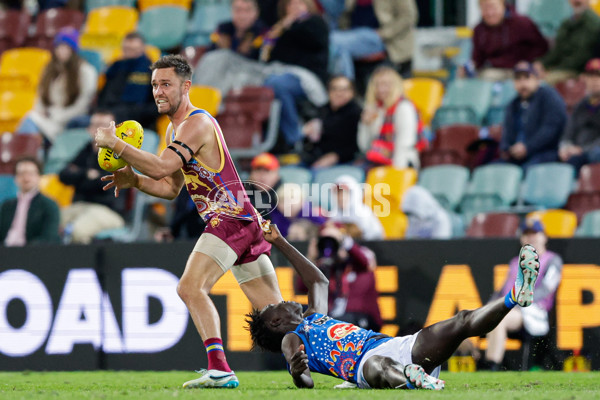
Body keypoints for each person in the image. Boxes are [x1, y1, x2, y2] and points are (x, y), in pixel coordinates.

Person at [94, 55, 283, 389]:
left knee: (189, 287)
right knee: (277, 317)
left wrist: (117, 145)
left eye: (165, 84)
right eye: (154, 84)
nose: (158, 91)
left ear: (186, 87)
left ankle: (220, 369)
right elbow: (169, 188)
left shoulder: (197, 124)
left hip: (229, 218)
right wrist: (134, 181)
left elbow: (160, 168)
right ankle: (349, 362)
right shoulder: (174, 130)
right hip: (243, 221)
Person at [247, 224, 541, 389]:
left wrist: (281, 241)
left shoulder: (313, 316)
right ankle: (415, 382)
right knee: (378, 366)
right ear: (275, 323)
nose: (282, 299)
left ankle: (513, 296)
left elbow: (319, 282)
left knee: (461, 321)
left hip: (400, 346)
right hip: (363, 366)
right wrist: (298, 372)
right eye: (275, 306)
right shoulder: (292, 337)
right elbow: (305, 378)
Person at [485, 219, 563, 371]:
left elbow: (547, 288)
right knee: (476, 318)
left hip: (535, 311)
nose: (530, 237)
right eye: (526, 234)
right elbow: (503, 290)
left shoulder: (552, 260)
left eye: (535, 233)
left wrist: (519, 303)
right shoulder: (515, 262)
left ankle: (491, 366)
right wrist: (489, 305)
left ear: (544, 237)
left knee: (498, 318)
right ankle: (479, 359)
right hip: (512, 308)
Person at [260, 0, 329, 152]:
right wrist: (282, 28)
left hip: (308, 76)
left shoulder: (315, 22)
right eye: (291, 4)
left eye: (300, 3)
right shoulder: (279, 29)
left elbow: (314, 41)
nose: (296, 7)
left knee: (277, 84)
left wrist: (292, 25)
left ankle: (294, 136)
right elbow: (267, 55)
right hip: (280, 72)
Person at [18, 27, 97, 145]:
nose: (62, 50)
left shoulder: (86, 71)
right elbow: (40, 97)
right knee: (30, 122)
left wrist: (56, 116)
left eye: (66, 47)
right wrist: (41, 111)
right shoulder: (49, 70)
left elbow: (82, 105)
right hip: (46, 119)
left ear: (73, 50)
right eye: (59, 46)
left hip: (68, 121)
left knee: (30, 126)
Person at [58, 110, 125, 244]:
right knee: (49, 223)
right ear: (89, 129)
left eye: (104, 125)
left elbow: (105, 184)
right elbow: (63, 175)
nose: (99, 130)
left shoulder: (120, 153)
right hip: (79, 206)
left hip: (107, 210)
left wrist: (79, 177)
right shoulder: (87, 150)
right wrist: (86, 175)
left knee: (78, 231)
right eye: (95, 125)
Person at [300, 221, 382, 331]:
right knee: (301, 312)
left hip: (362, 317)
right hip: (335, 319)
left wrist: (344, 242)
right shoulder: (327, 265)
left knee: (339, 321)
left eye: (333, 241)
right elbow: (301, 287)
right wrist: (311, 259)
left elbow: (366, 261)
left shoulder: (360, 260)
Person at [500, 61, 567, 169]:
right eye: (518, 79)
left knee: (530, 170)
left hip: (546, 152)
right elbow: (507, 133)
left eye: (527, 77)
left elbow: (551, 129)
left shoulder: (549, 96)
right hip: (518, 156)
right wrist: (507, 149)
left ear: (537, 79)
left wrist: (528, 147)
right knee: (497, 168)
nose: (522, 83)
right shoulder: (513, 104)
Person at [330, 0, 418, 79]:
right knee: (339, 47)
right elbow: (344, 17)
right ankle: (346, 84)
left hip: (381, 38)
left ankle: (346, 84)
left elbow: (409, 16)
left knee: (334, 41)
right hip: (354, 35)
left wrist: (383, 33)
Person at [467, 0, 547, 81]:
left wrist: (529, 62)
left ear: (503, 6)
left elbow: (541, 46)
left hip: (522, 69)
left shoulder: (522, 23)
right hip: (493, 71)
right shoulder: (479, 30)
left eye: (493, 8)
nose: (490, 13)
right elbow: (477, 59)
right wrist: (468, 68)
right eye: (485, 9)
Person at [358, 66, 420, 169]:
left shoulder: (404, 107)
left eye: (385, 84)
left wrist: (395, 173)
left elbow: (405, 144)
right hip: (376, 161)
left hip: (402, 163)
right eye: (377, 85)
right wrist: (365, 124)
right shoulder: (374, 108)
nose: (380, 89)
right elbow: (364, 147)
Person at [96, 32, 157, 129]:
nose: (129, 52)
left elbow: (155, 106)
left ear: (142, 49)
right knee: (77, 122)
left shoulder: (152, 71)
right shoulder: (116, 67)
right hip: (108, 113)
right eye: (126, 49)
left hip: (134, 118)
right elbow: (104, 95)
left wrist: (134, 112)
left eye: (133, 49)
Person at [301, 75, 362, 168]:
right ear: (328, 92)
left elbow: (356, 146)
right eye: (335, 89)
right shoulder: (321, 111)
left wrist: (336, 156)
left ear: (352, 92)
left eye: (344, 89)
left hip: (346, 161)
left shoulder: (357, 113)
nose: (339, 93)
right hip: (315, 158)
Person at [535, 0, 600, 85]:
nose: (576, 1)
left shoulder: (593, 24)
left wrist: (554, 70)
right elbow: (557, 51)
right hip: (562, 68)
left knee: (543, 83)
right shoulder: (567, 23)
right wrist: (542, 64)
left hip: (579, 70)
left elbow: (581, 56)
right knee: (530, 73)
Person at [0, 157, 60, 246]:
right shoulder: (6, 205)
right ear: (15, 178)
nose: (26, 178)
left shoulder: (49, 205)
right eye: (21, 174)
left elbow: (49, 237)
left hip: (32, 254)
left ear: (39, 176)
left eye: (31, 174)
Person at [559, 58, 600, 171]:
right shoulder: (581, 105)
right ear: (585, 78)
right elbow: (568, 131)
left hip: (592, 152)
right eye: (591, 76)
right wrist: (565, 147)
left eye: (598, 76)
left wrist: (582, 150)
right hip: (577, 153)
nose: (595, 80)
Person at [328, 175, 384, 240]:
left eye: (344, 193)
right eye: (338, 193)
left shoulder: (364, 212)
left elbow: (375, 236)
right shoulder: (333, 215)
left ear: (354, 194)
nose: (341, 197)